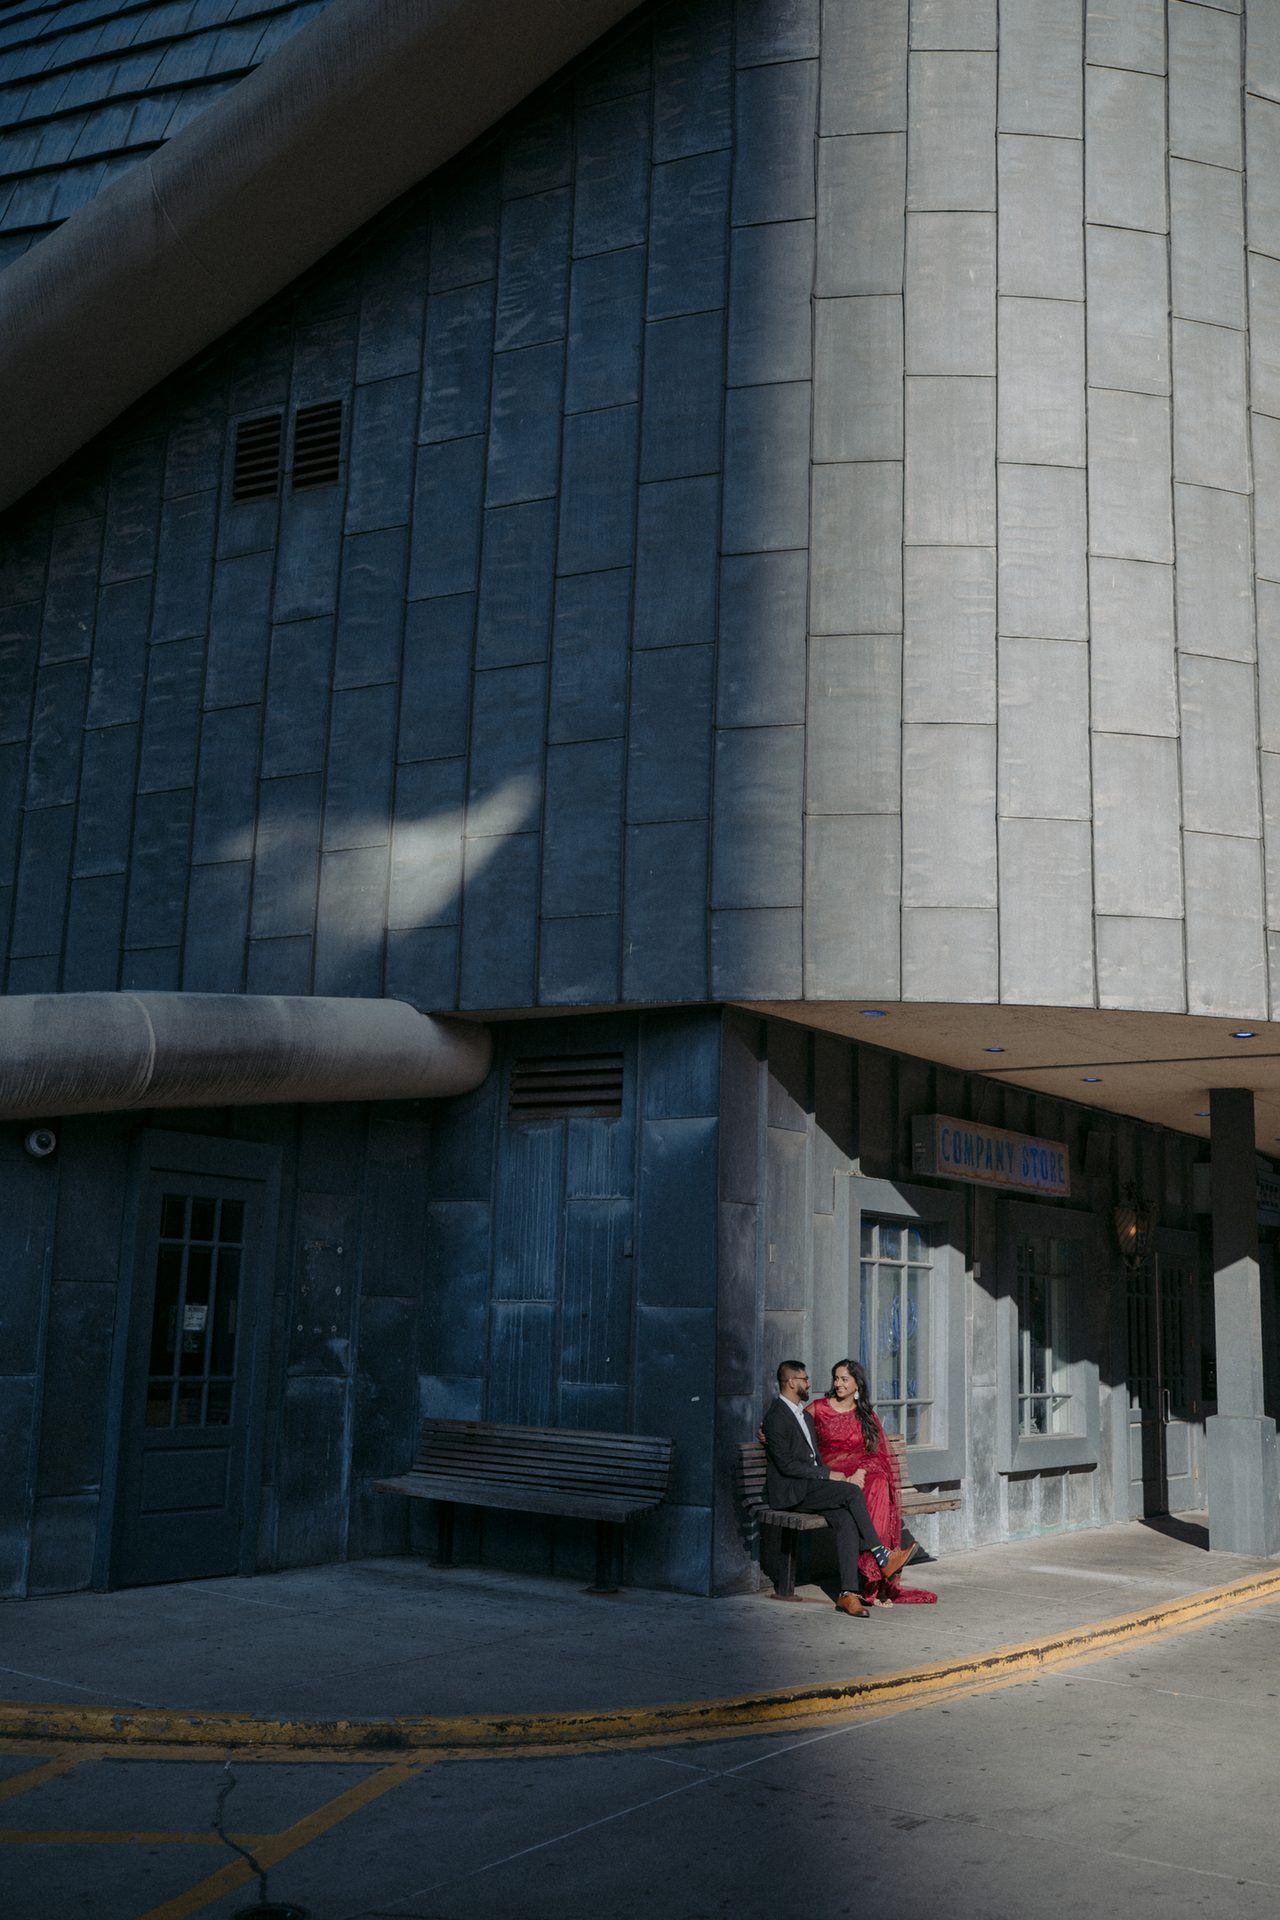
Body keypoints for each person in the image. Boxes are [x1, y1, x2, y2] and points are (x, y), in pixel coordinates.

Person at [761, 1359, 917, 1617]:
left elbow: (811, 1455)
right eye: (805, 1379)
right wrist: (830, 1474)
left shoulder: (802, 1414)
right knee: (851, 1492)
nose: (810, 1383)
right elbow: (787, 1466)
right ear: (791, 1382)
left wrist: (826, 1475)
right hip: (791, 1491)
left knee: (845, 1519)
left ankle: (848, 1594)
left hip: (810, 1486)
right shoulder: (777, 1416)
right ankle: (882, 1555)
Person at [807, 1359, 936, 1606]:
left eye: (845, 1379)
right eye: (836, 1378)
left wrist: (862, 1473)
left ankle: (873, 1581)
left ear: (857, 1384)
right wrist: (765, 1432)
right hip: (833, 1477)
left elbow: (874, 1452)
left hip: (860, 1473)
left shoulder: (864, 1414)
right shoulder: (819, 1408)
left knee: (877, 1483)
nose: (838, 1384)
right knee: (861, 1494)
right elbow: (793, 1428)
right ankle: (880, 1564)